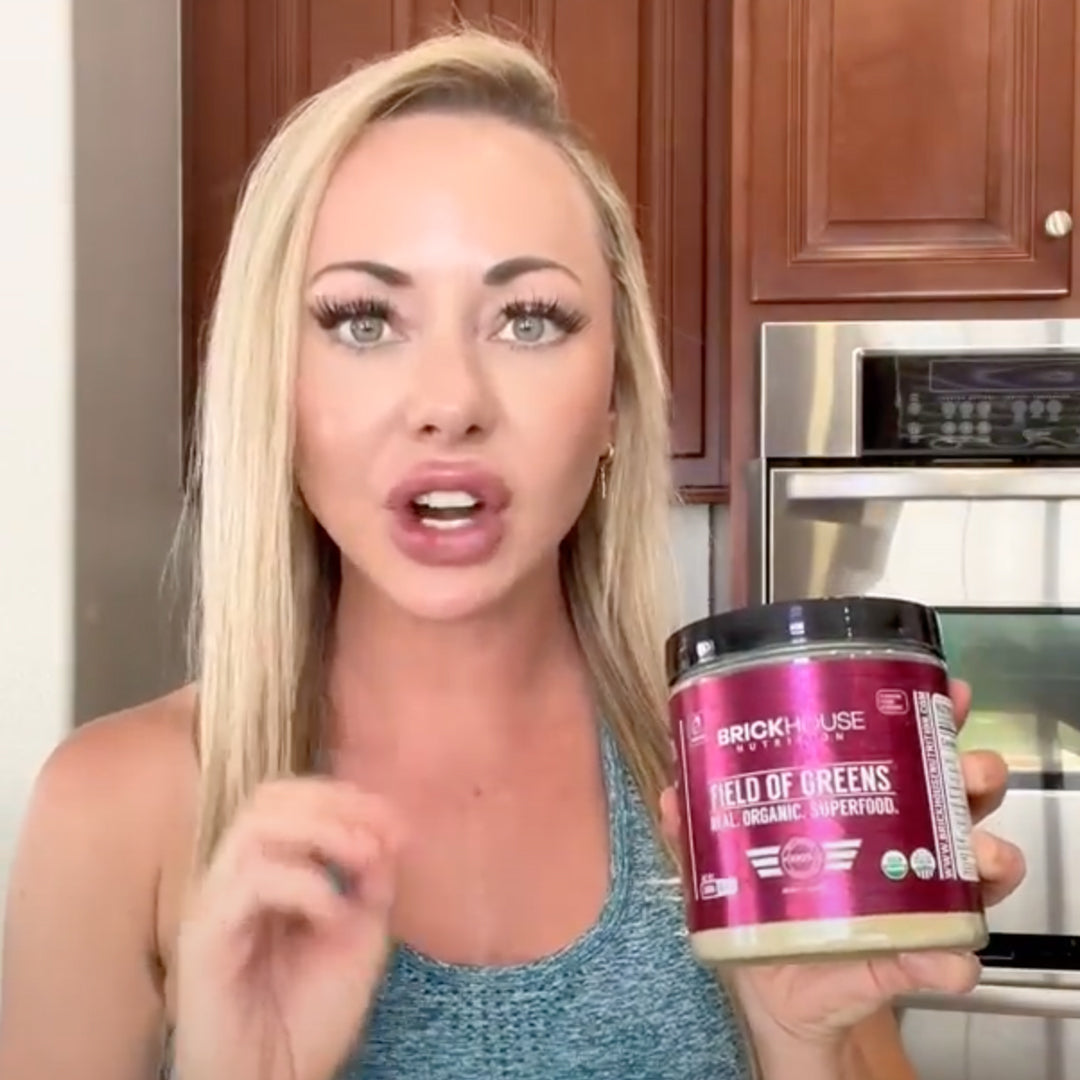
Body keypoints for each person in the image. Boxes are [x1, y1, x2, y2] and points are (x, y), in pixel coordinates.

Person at [0, 28, 1023, 1080]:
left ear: (616, 400)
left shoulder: (744, 786)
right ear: (278, 389)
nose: (450, 404)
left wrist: (798, 1040)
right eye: (362, 320)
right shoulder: (115, 811)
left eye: (529, 320)